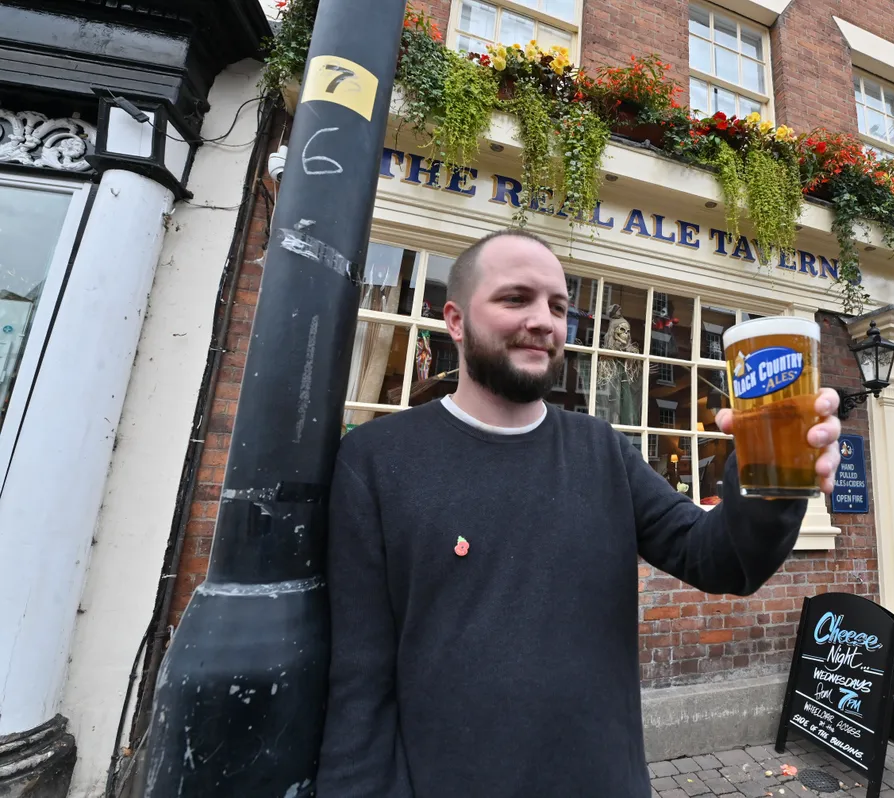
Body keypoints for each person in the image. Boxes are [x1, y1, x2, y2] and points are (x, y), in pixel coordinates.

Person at [316, 228, 843, 797]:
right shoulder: (375, 460)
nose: (545, 320)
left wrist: (771, 483)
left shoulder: (602, 450)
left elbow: (719, 560)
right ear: (455, 320)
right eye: (516, 298)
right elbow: (358, 683)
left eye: (559, 306)